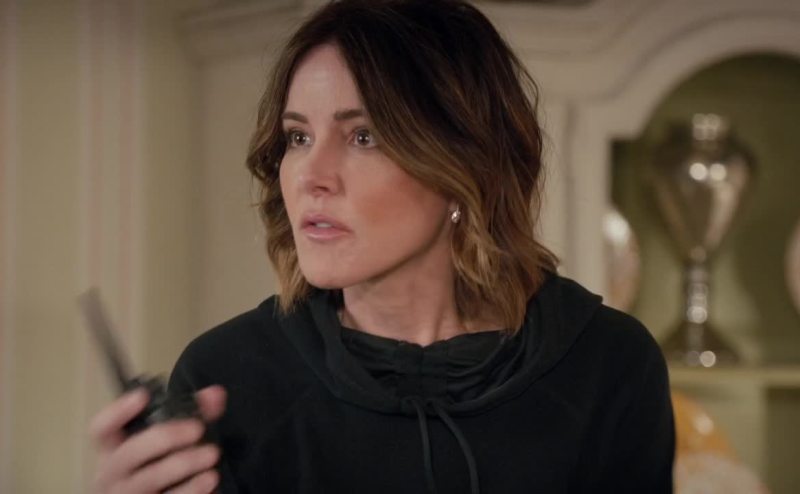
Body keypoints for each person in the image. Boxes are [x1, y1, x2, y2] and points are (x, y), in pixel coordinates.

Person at [89, 0, 675, 492]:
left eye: (363, 136)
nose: (310, 175)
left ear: (463, 166)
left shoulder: (608, 365)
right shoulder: (229, 374)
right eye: (298, 136)